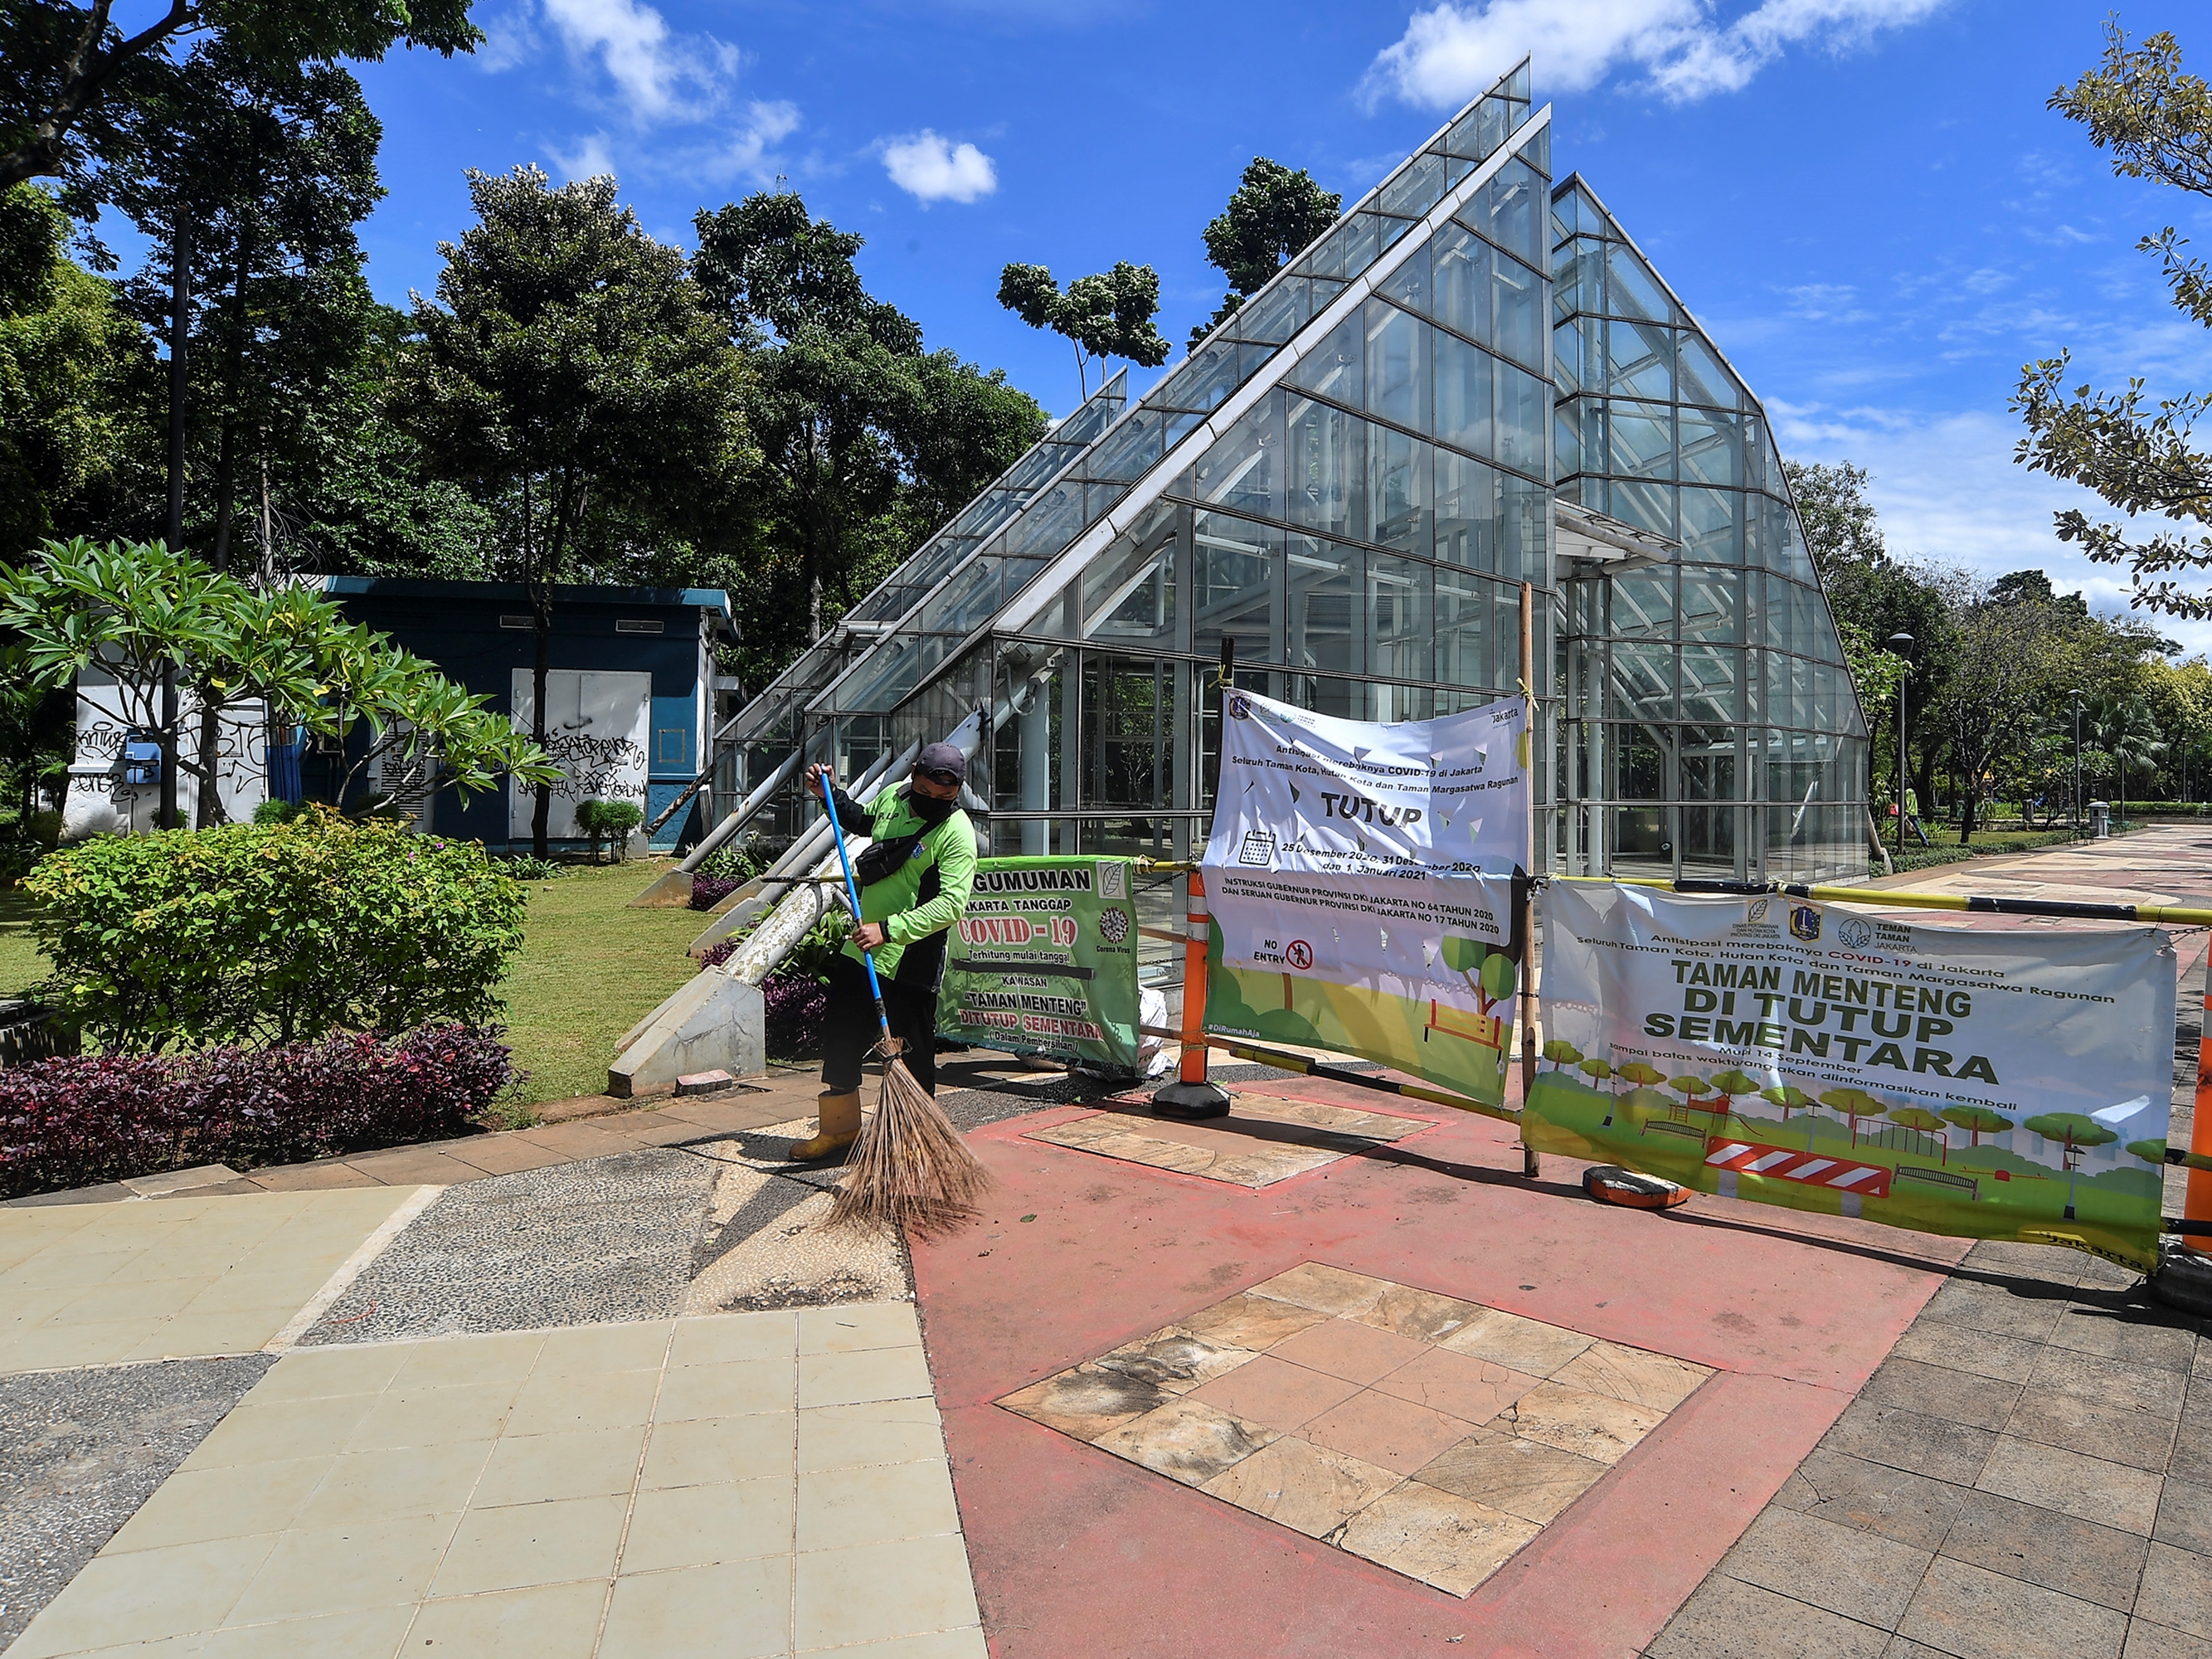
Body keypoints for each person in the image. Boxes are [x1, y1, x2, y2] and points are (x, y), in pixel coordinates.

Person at [787, 742, 978, 1162]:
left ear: (958, 790)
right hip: (862, 951)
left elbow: (951, 906)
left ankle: (917, 1144)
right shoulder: (894, 797)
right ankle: (841, 1131)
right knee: (841, 1038)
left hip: (911, 958)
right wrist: (829, 797)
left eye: (945, 798)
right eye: (926, 793)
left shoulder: (958, 834)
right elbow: (860, 820)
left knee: (914, 1055)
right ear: (914, 777)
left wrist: (888, 930)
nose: (933, 803)